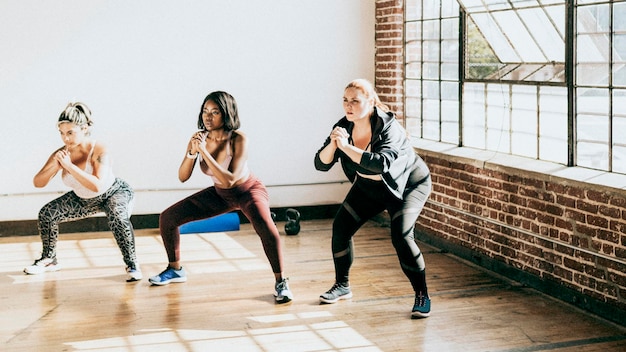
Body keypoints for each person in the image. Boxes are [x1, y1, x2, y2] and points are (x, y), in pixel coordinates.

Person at [148, 91, 293, 304]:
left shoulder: (238, 139)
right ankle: (175, 269)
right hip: (220, 194)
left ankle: (281, 282)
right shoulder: (199, 138)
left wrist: (204, 152)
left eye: (215, 112)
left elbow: (231, 179)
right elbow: (182, 176)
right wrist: (191, 152)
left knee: (265, 227)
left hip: (248, 190)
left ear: (226, 114)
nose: (208, 117)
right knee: (168, 217)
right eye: (205, 111)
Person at [314, 79, 433, 318]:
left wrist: (346, 148)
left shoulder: (390, 127)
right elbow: (320, 164)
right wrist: (334, 143)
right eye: (345, 101)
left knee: (401, 236)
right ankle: (342, 286)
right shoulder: (343, 126)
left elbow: (380, 164)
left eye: (355, 101)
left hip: (407, 186)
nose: (348, 106)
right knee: (341, 227)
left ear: (370, 102)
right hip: (370, 187)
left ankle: (422, 294)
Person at [25, 102, 142, 282]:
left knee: (118, 217)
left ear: (85, 128)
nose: (65, 139)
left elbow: (97, 185)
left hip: (114, 193)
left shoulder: (100, 149)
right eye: (62, 133)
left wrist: (69, 166)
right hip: (83, 200)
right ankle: (49, 260)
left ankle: (132, 263)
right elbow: (38, 183)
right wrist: (55, 166)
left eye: (70, 133)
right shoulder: (62, 153)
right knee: (47, 214)